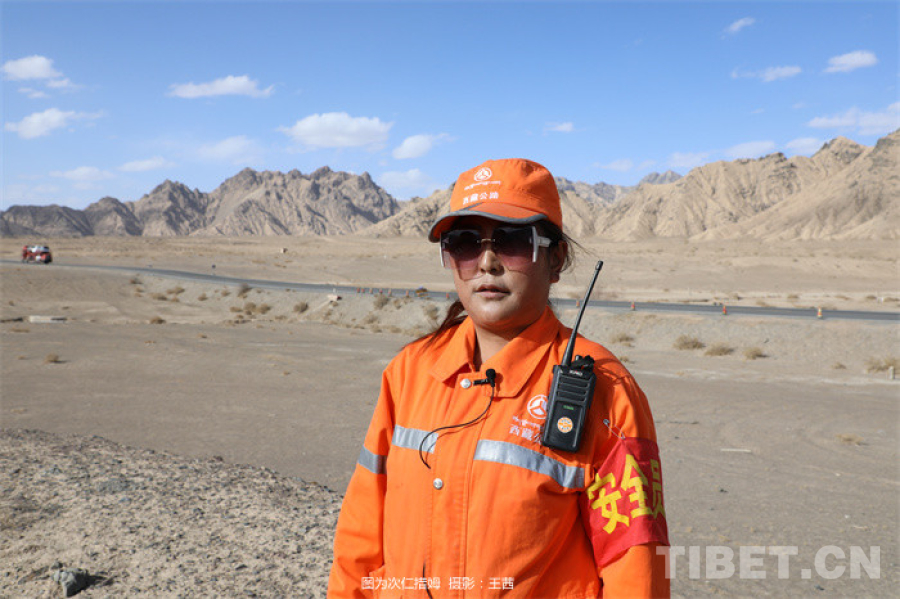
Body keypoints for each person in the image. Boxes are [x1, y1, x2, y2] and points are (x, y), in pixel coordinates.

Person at [328, 158, 669, 598]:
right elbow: (360, 535)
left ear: (556, 258)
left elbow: (635, 563)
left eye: (512, 241)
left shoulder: (606, 388)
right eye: (465, 243)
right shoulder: (409, 372)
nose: (487, 262)